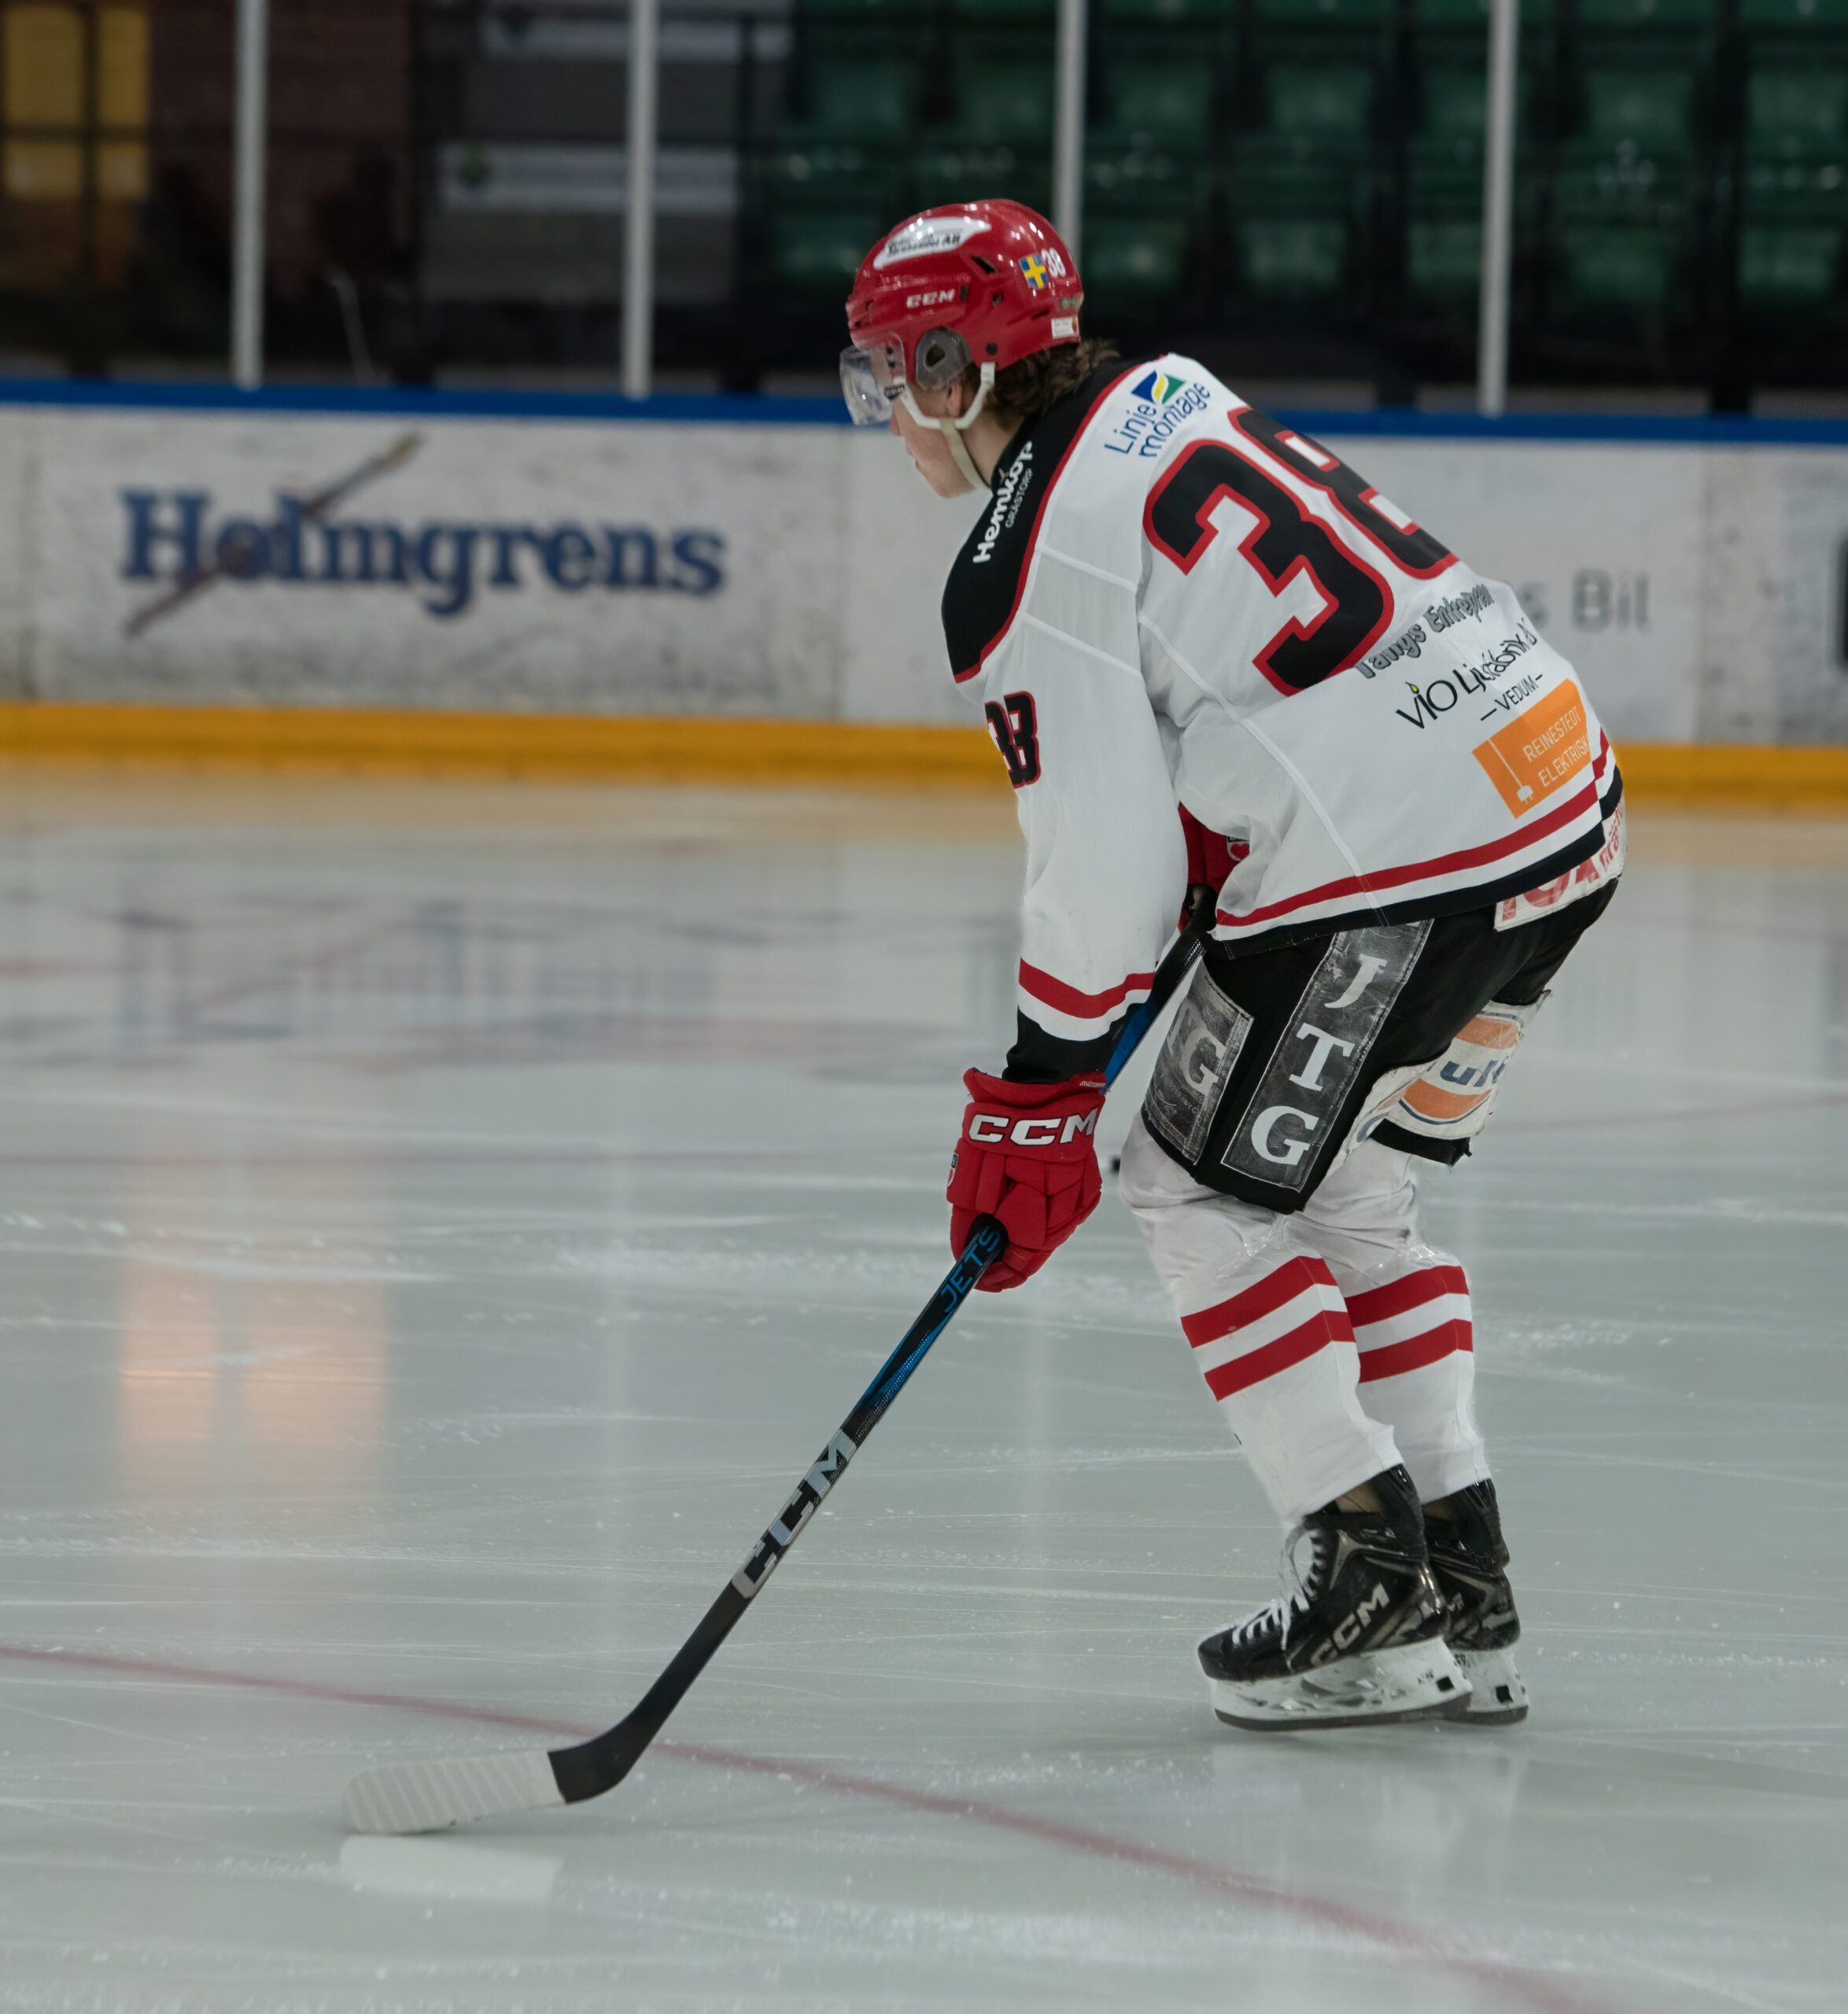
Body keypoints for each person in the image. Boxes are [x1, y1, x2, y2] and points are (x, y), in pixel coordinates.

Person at [839, 201, 1623, 1732]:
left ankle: (1359, 1577)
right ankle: (1460, 1581)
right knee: (1346, 1192)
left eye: (890, 374)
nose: (884, 415)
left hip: (1402, 868)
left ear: (952, 368)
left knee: (1190, 1183)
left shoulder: (1015, 562)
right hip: (1561, 814)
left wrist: (1039, 1089)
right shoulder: (1166, 395)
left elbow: (1104, 866)